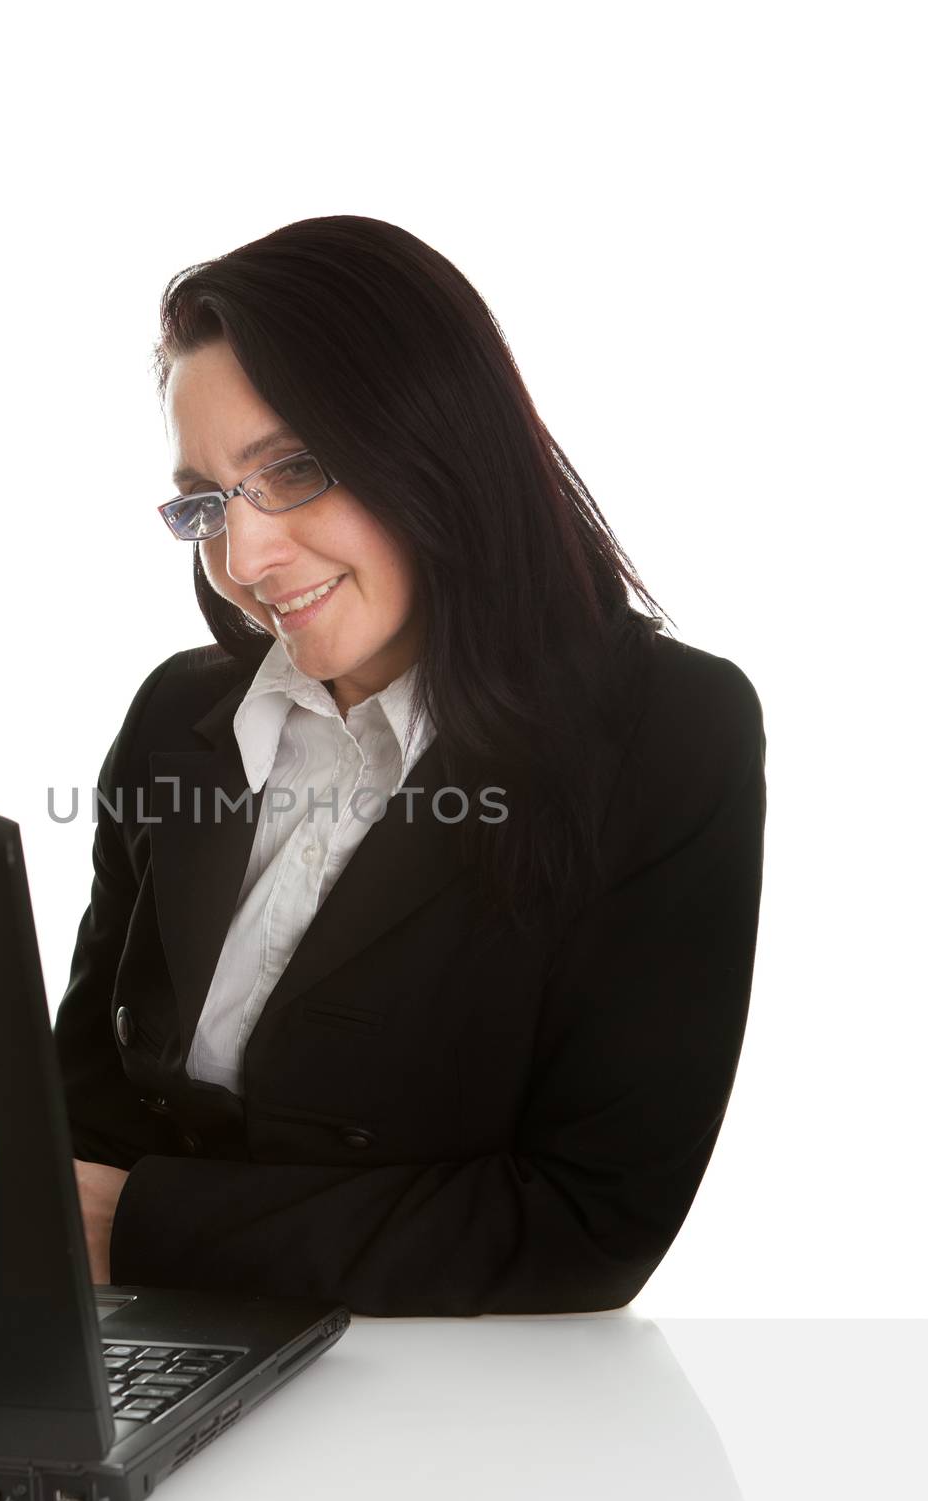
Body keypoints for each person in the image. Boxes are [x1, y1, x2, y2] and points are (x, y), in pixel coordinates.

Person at [55, 215, 766, 1316]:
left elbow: (589, 1224)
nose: (243, 562)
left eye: (291, 469)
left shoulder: (664, 731)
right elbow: (82, 1115)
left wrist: (145, 1228)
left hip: (448, 1413)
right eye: (205, 501)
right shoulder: (178, 714)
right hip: (149, 1355)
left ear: (434, 444)